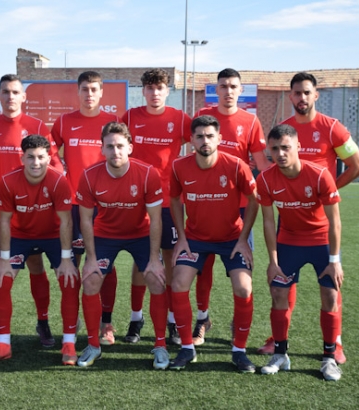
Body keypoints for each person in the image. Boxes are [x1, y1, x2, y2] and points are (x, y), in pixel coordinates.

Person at [257, 72, 359, 363]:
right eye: (296, 93)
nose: (301, 98)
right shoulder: (284, 129)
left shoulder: (332, 128)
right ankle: (278, 340)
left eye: (307, 92)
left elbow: (357, 166)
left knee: (329, 282)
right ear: (290, 96)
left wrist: (327, 193)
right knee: (283, 281)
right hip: (289, 216)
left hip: (322, 220)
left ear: (315, 95)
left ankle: (336, 343)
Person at [168, 115, 258, 372]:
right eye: (199, 136)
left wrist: (243, 239)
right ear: (191, 140)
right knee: (179, 282)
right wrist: (181, 237)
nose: (204, 141)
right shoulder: (179, 167)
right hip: (195, 238)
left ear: (219, 138)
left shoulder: (236, 165)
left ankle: (239, 351)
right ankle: (187, 348)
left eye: (209, 136)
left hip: (231, 238)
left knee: (243, 287)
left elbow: (254, 200)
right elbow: (174, 200)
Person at [76, 122, 168, 369]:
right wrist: (92, 258)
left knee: (157, 279)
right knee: (91, 279)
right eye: (110, 146)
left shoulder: (148, 174)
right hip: (105, 235)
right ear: (102, 149)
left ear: (130, 147)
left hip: (140, 234)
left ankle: (160, 345)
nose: (115, 151)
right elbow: (85, 219)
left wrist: (154, 259)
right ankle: (94, 345)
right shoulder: (89, 175)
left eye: (120, 146)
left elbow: (156, 219)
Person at [0, 135, 79, 367]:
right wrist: (4, 259)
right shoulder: (7, 181)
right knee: (2, 278)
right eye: (31, 157)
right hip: (20, 236)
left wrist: (66, 259)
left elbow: (66, 221)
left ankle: (69, 344)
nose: (36, 162)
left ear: (49, 158)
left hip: (54, 236)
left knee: (70, 278)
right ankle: (3, 344)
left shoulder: (58, 181)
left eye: (41, 157)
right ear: (22, 158)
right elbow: (3, 221)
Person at [0, 74, 63, 349]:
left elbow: (55, 166)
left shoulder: (37, 126)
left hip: (33, 209)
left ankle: (43, 321)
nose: (10, 96)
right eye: (5, 91)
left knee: (35, 265)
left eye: (15, 92)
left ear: (23, 97)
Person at [257, 124, 344, 381]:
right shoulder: (265, 179)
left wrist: (335, 260)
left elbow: (335, 221)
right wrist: (272, 262)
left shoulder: (319, 175)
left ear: (298, 147)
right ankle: (280, 354)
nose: (280, 153)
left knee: (330, 295)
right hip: (289, 242)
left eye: (286, 147)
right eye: (275, 148)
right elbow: (269, 222)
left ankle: (329, 358)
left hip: (321, 242)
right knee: (278, 293)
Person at [191, 68, 271, 346]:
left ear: (240, 90)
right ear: (216, 89)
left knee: (242, 268)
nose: (228, 91)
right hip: (205, 203)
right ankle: (202, 318)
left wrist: (279, 193)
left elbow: (262, 164)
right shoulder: (204, 115)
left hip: (238, 209)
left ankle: (239, 323)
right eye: (223, 86)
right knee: (204, 267)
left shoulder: (250, 121)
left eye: (233, 86)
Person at [121, 68, 191, 346]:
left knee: (171, 260)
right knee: (141, 261)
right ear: (143, 91)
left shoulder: (180, 119)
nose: (155, 93)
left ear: (168, 90)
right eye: (150, 88)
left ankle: (173, 321)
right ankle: (136, 318)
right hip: (137, 200)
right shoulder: (129, 117)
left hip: (169, 201)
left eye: (160, 88)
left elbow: (197, 144)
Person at [51, 71, 120, 347]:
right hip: (74, 205)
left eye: (94, 89)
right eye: (84, 89)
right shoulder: (65, 121)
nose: (89, 94)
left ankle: (106, 321)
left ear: (101, 93)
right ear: (77, 92)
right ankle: (73, 319)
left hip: (105, 205)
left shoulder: (112, 122)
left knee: (107, 265)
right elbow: (50, 150)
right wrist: (60, 170)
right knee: (71, 261)